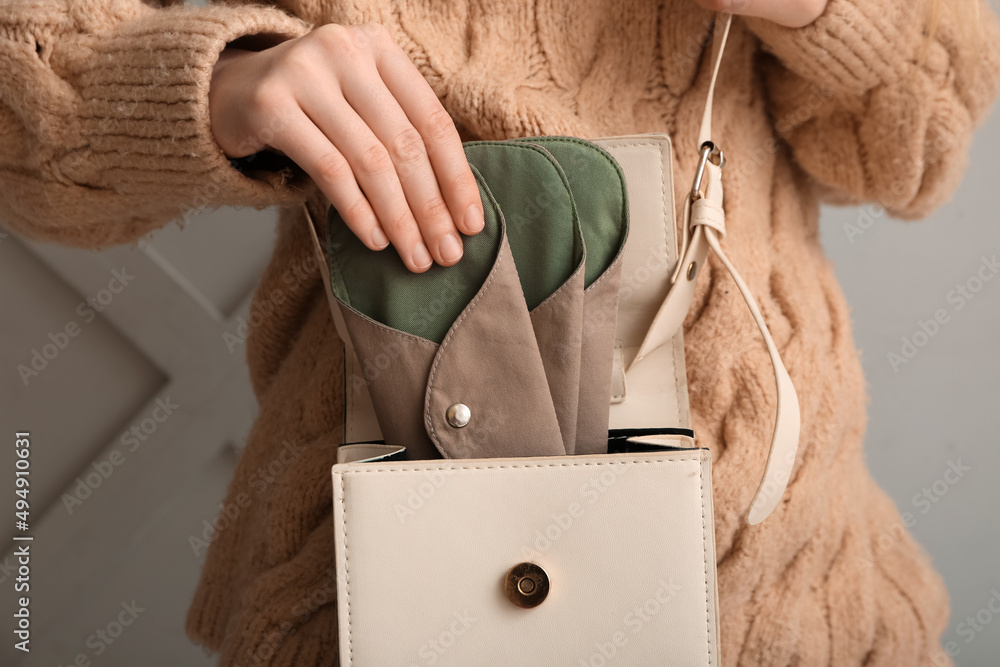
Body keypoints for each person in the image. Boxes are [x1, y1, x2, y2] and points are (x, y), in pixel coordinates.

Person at [1, 0, 997, 664]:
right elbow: (25, 109)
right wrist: (221, 83)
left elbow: (910, 153)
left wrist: (828, 13)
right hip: (376, 591)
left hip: (796, 589)